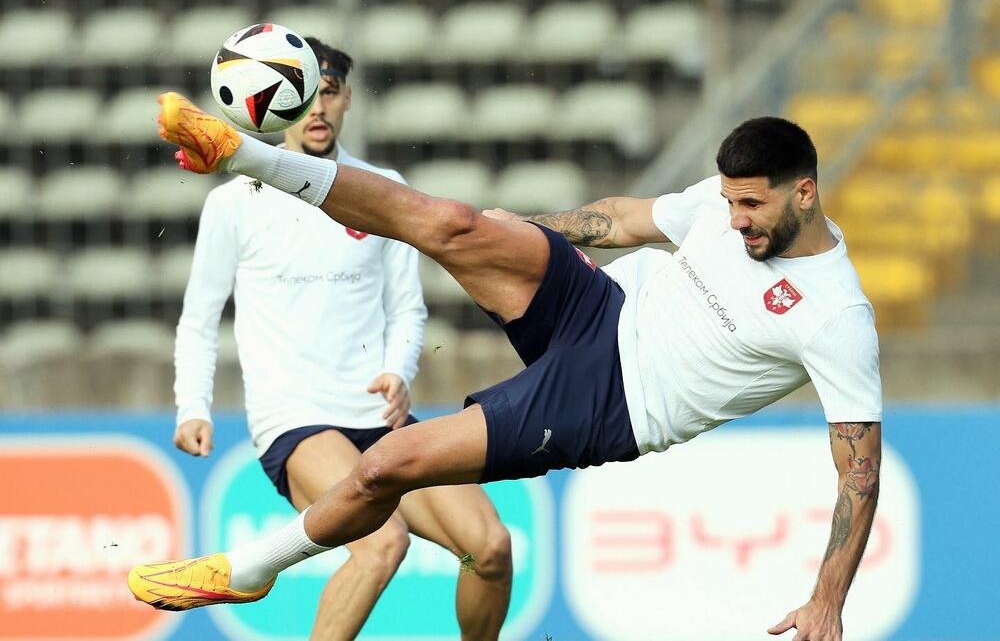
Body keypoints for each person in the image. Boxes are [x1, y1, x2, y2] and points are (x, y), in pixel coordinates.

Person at [133, 93, 882, 641]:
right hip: (599, 307)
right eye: (730, 202)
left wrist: (826, 601)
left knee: (389, 463)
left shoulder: (836, 317)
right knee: (453, 221)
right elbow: (620, 220)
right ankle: (241, 153)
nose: (736, 219)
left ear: (805, 193)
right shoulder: (723, 208)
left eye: (750, 206)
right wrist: (503, 236)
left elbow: (858, 475)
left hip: (614, 401)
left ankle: (252, 570)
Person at [159, 39, 513, 641]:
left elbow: (406, 307)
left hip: (377, 416)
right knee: (381, 546)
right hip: (295, 419)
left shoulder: (382, 186)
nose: (316, 109)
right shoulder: (234, 202)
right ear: (270, 110)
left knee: (491, 548)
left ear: (346, 97)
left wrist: (400, 371)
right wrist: (192, 405)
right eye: (300, 98)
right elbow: (199, 317)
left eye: (327, 92)